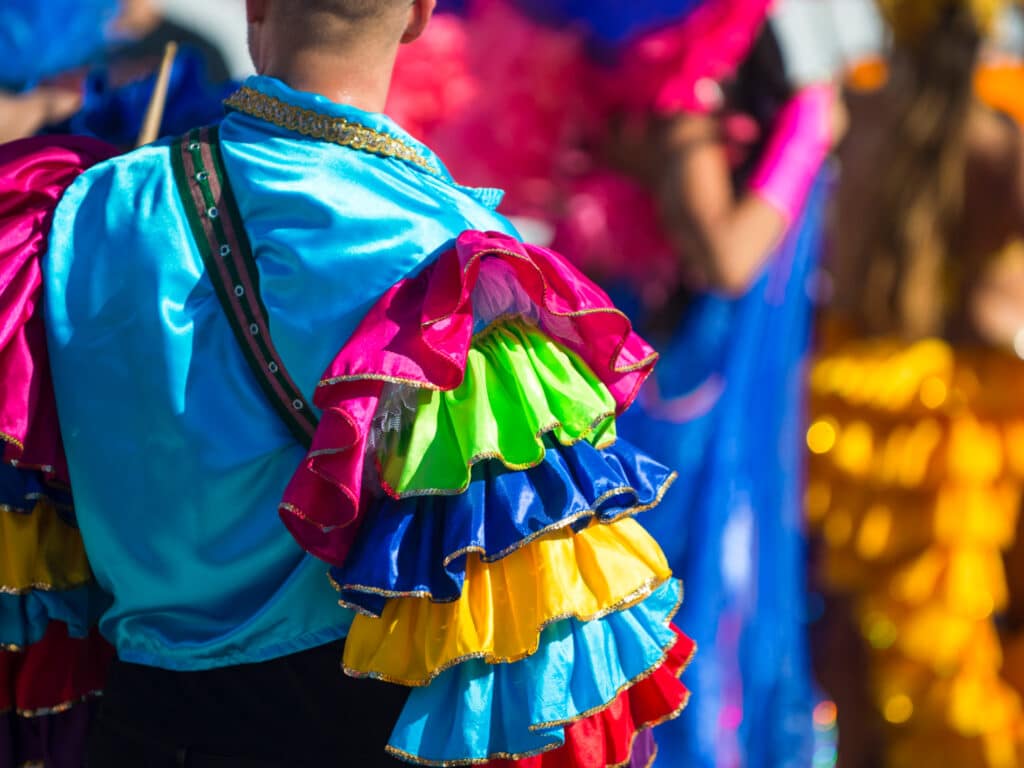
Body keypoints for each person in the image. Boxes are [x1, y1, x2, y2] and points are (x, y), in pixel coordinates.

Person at [0, 1, 693, 767]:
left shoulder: (72, 210)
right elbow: (531, 644)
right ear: (420, 15)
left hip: (130, 726)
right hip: (329, 728)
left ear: (255, 5)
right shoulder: (457, 264)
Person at [807, 1, 1024, 765]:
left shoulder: (856, 113)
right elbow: (1000, 315)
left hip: (840, 414)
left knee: (848, 660)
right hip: (948, 442)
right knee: (943, 667)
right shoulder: (999, 142)